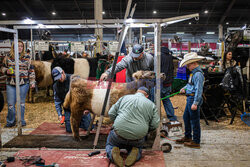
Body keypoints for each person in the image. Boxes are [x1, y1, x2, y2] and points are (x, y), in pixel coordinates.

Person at [106, 87, 160, 167]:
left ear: (136, 92)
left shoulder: (124, 98)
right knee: (137, 146)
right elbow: (155, 124)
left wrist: (116, 122)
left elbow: (111, 113)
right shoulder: (152, 105)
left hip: (118, 135)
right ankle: (136, 152)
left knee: (110, 144)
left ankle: (112, 152)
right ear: (147, 96)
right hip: (137, 138)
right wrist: (146, 130)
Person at [1, 40, 35, 127]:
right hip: (10, 83)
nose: (20, 48)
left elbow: (31, 70)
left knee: (21, 103)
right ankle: (11, 121)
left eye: (21, 46)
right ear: (13, 47)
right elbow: (2, 68)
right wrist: (6, 71)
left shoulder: (27, 57)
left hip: (24, 83)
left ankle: (21, 121)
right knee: (11, 104)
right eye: (18, 46)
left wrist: (32, 82)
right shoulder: (8, 57)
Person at [175, 52, 205, 149]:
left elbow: (198, 90)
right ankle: (188, 136)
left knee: (194, 120)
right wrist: (184, 88)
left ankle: (196, 141)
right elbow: (190, 85)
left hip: (193, 98)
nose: (187, 66)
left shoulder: (198, 74)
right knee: (186, 118)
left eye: (188, 64)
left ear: (193, 63)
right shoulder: (193, 73)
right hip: (190, 97)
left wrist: (195, 103)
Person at [52, 66, 92, 133]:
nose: (59, 79)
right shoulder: (55, 86)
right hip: (68, 109)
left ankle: (83, 121)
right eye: (57, 78)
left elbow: (86, 93)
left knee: (88, 127)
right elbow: (57, 101)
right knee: (69, 129)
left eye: (60, 77)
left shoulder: (75, 79)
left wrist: (87, 108)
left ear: (63, 72)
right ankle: (72, 120)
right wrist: (59, 114)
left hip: (80, 107)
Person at [151, 47, 178, 122]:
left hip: (160, 83)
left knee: (155, 100)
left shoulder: (159, 57)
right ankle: (172, 117)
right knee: (166, 100)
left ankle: (155, 118)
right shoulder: (170, 57)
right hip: (168, 83)